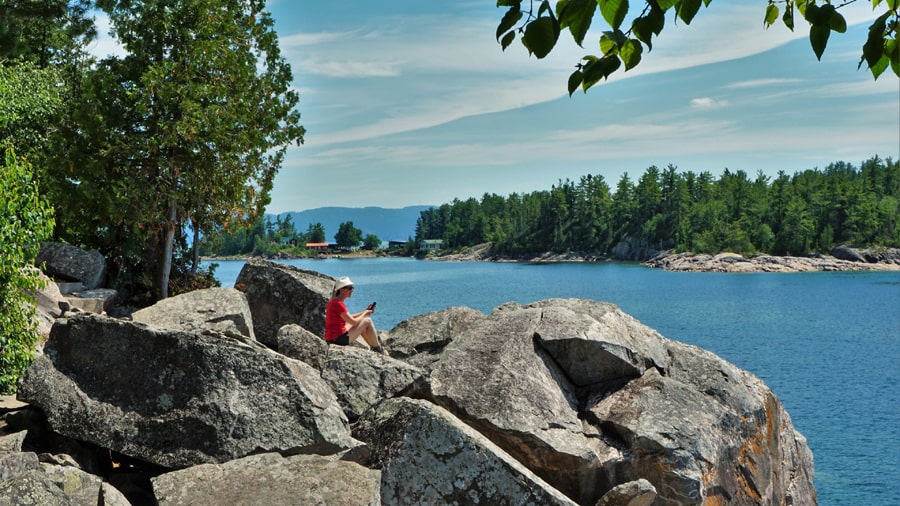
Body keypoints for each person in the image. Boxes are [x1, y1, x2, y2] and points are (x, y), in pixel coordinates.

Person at [324, 276, 386, 354]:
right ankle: (378, 348)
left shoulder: (334, 302)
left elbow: (349, 317)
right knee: (367, 321)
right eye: (349, 288)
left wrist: (365, 311)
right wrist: (365, 314)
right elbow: (354, 322)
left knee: (362, 325)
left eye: (352, 288)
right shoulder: (338, 304)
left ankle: (373, 347)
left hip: (332, 338)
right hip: (338, 340)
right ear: (342, 289)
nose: (352, 290)